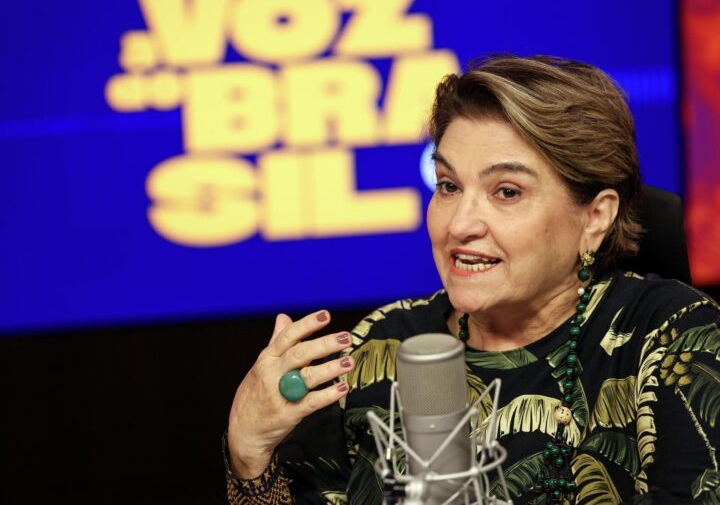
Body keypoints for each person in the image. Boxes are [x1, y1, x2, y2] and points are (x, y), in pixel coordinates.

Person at [224, 55, 720, 504]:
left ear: (595, 217)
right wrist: (249, 455)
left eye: (506, 192)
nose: (460, 224)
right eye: (448, 186)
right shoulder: (382, 344)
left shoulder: (673, 336)